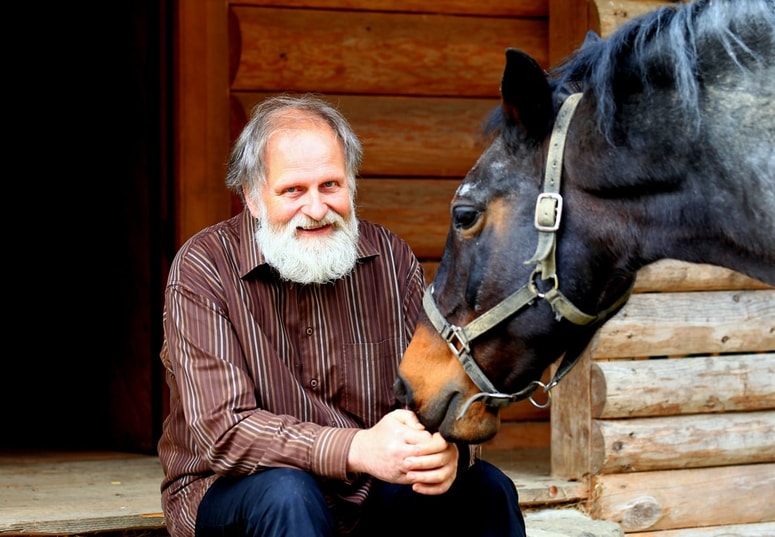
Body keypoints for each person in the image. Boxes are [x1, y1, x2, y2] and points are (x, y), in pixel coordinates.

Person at [157, 93, 527, 537]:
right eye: (293, 190)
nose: (316, 210)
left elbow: (436, 388)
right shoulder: (204, 267)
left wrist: (448, 451)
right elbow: (223, 431)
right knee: (289, 494)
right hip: (239, 490)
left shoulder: (390, 259)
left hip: (369, 490)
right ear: (252, 198)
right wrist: (357, 448)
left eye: (330, 185)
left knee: (485, 489)